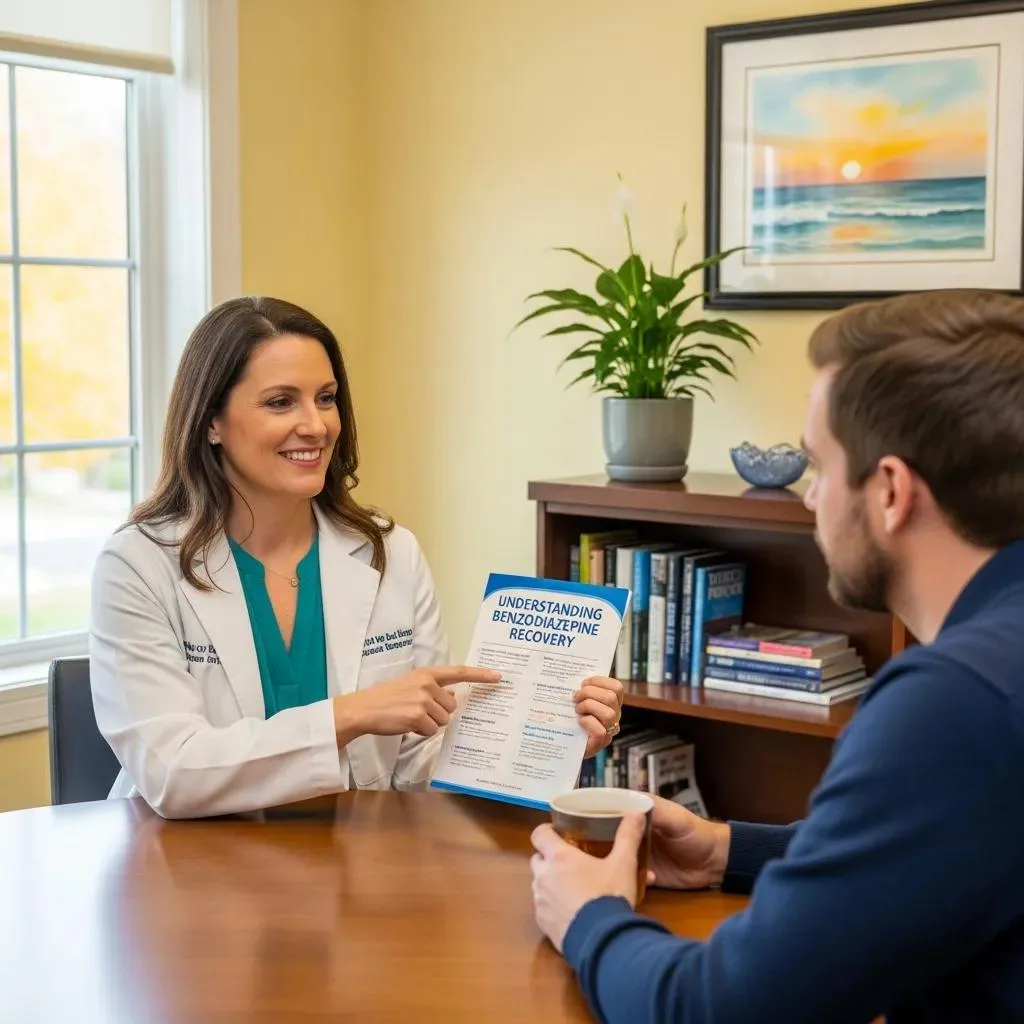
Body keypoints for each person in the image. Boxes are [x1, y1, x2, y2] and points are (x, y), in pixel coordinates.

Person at [530, 288, 1024, 1023]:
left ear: (890, 491)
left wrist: (591, 918)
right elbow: (949, 838)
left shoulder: (952, 702)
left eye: (820, 468)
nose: (809, 500)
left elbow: (719, 1010)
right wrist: (731, 849)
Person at [90, 296, 624, 819]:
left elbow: (420, 768)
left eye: (325, 397)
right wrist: (351, 715)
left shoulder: (390, 553)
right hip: (184, 873)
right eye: (281, 402)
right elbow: (172, 772)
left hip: (355, 870)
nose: (317, 425)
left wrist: (549, 742)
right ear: (212, 422)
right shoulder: (139, 564)